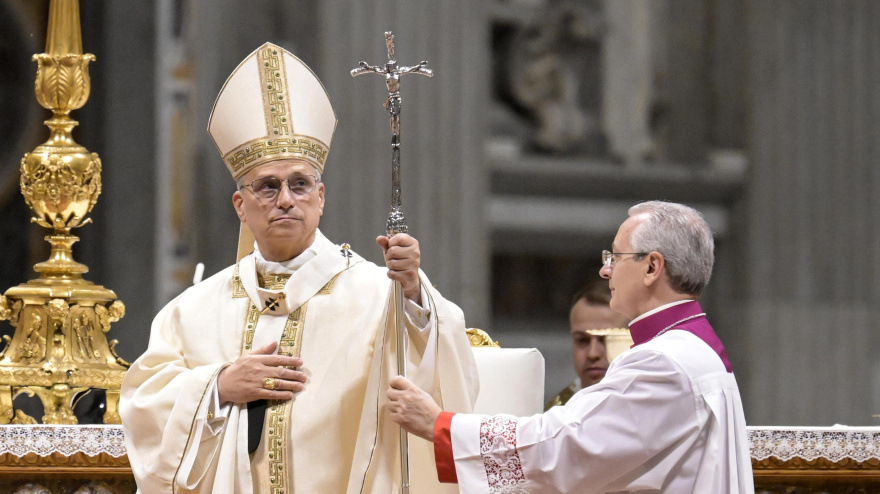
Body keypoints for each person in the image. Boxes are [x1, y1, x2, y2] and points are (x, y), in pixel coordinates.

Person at [120, 42, 478, 494]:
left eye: (300, 184)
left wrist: (413, 292)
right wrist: (220, 385)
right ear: (240, 206)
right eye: (267, 187)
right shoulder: (193, 310)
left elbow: (444, 361)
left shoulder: (377, 294)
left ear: (321, 197)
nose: (286, 199)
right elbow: (143, 402)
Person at [388, 201, 754, 493]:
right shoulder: (693, 347)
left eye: (616, 257)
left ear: (652, 267)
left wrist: (442, 427)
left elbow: (564, 448)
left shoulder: (664, 361)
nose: (605, 271)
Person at [545, 282, 630, 409]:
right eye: (582, 340)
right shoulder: (555, 414)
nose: (593, 353)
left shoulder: (660, 410)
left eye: (607, 340)